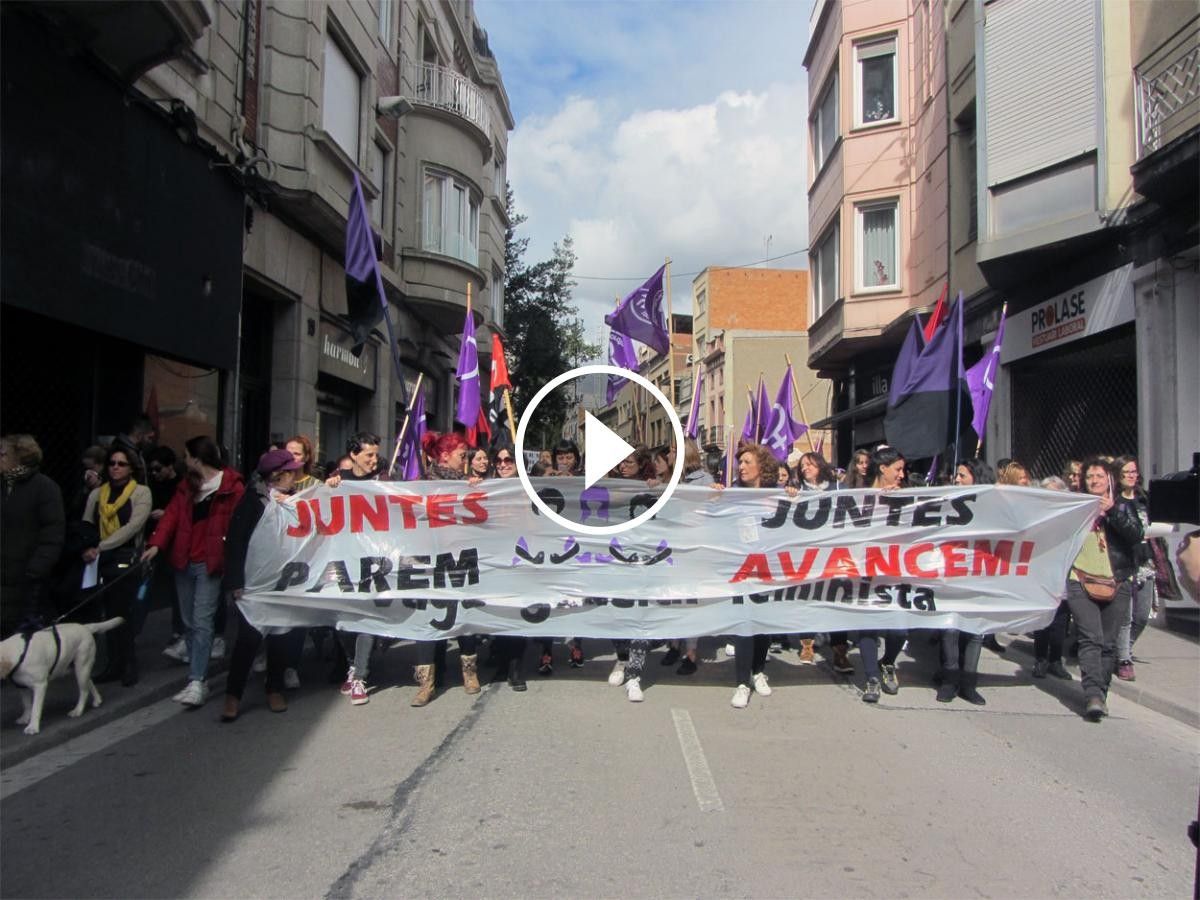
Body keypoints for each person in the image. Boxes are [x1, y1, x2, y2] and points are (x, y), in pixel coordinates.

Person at [141, 435, 245, 708]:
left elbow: (240, 527)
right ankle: (196, 673)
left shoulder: (232, 486)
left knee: (201, 621)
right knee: (188, 621)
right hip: (182, 561)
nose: (184, 460)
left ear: (197, 458)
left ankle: (197, 679)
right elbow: (172, 517)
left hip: (209, 564)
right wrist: (156, 545)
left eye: (186, 456)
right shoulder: (186, 486)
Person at [220, 449, 303, 721]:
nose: (296, 477)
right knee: (248, 639)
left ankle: (274, 688)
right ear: (279, 475)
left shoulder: (295, 501)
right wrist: (235, 581)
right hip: (254, 584)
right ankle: (233, 695)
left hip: (282, 582)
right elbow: (235, 543)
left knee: (280, 638)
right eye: (292, 472)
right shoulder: (252, 503)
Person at [1067, 457, 1143, 721]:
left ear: (1109, 479)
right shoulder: (1076, 507)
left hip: (1117, 581)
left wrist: (1112, 511)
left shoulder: (1122, 506)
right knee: (1091, 638)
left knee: (1108, 644)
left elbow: (1135, 534)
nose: (1094, 481)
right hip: (1080, 580)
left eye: (1099, 476)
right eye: (1090, 477)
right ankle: (1092, 696)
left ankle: (1102, 691)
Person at [411, 431, 483, 707]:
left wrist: (477, 488)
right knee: (429, 617)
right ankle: (426, 682)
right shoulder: (420, 485)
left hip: (461, 557)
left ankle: (470, 673)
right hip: (430, 560)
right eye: (462, 456)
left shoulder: (467, 484)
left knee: (463, 612)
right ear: (444, 456)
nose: (466, 462)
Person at [82, 446, 152, 686]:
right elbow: (87, 523)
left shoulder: (141, 493)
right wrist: (89, 547)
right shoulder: (97, 494)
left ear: (131, 468)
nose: (115, 467)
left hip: (125, 557)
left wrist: (103, 546)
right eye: (112, 462)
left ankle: (129, 662)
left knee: (126, 611)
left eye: (121, 464)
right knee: (108, 611)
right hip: (100, 560)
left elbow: (133, 526)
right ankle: (113, 663)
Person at [325, 432, 384, 706]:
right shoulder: (339, 483)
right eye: (368, 454)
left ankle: (360, 675)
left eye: (375, 454)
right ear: (354, 456)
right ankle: (352, 663)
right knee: (342, 619)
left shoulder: (384, 481)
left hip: (372, 562)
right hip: (342, 561)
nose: (374, 459)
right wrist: (328, 488)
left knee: (365, 617)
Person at [718, 442, 777, 709]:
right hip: (740, 569)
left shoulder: (776, 495)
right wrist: (714, 497)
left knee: (762, 625)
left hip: (767, 568)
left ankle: (757, 672)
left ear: (761, 467)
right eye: (739, 463)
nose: (741, 467)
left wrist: (793, 495)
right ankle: (742, 683)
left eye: (747, 462)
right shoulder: (731, 494)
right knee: (744, 624)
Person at [935, 459, 995, 704]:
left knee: (975, 630)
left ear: (976, 478)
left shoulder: (993, 504)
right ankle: (949, 678)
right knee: (950, 627)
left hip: (980, 572)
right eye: (956, 475)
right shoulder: (946, 500)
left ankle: (969, 683)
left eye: (962, 475)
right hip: (952, 570)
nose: (957, 479)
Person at [1, 435, 66, 638]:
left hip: (25, 577)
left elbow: (53, 533)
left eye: (3, 454)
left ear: (20, 457)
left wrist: (37, 568)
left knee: (19, 637)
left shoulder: (45, 488)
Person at [857, 446, 908, 703]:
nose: (902, 475)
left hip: (895, 572)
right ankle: (872, 677)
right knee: (867, 627)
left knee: (899, 629)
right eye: (898, 469)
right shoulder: (858, 498)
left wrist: (901, 502)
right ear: (882, 468)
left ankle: (888, 661)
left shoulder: (907, 499)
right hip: (865, 574)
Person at [484, 446, 527, 691]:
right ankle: (501, 659)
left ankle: (516, 668)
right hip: (493, 560)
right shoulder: (487, 486)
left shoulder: (527, 487)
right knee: (498, 612)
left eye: (508, 459)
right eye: (498, 460)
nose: (502, 464)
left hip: (519, 559)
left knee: (516, 614)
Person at [1113, 455, 1154, 682]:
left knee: (1142, 614)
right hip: (1124, 563)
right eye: (1127, 472)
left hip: (1145, 562)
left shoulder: (1143, 499)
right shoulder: (1115, 501)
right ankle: (1123, 659)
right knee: (1125, 616)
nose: (1131, 476)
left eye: (1134, 472)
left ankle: (1123, 648)